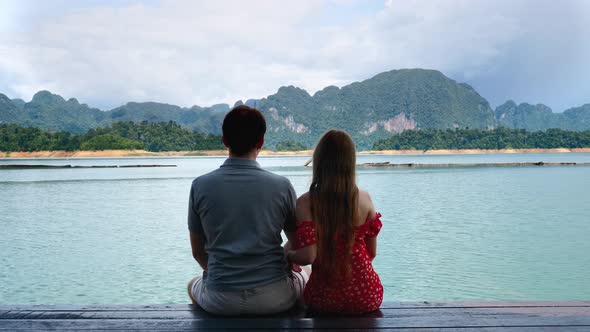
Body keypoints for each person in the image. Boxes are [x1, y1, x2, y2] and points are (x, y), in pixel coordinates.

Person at [187, 105, 308, 315]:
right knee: (305, 272)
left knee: (192, 284)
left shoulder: (200, 185)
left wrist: (226, 278)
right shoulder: (282, 186)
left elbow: (198, 253)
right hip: (275, 297)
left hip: (219, 300)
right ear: (261, 142)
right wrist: (284, 256)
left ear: (224, 140)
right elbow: (298, 242)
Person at [286, 129, 383, 314]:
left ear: (319, 161)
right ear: (350, 163)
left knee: (301, 279)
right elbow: (371, 253)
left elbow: (308, 256)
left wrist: (288, 255)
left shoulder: (306, 203)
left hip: (323, 299)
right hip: (368, 296)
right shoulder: (365, 199)